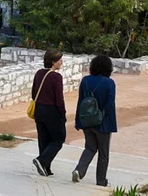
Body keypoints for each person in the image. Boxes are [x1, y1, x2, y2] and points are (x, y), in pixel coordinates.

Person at [72, 55, 117, 187]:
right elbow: (110, 104)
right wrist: (102, 115)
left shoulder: (85, 80)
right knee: (103, 153)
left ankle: (79, 170)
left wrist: (78, 120)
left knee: (90, 147)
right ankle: (101, 181)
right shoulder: (109, 83)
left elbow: (80, 101)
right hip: (103, 123)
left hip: (86, 120)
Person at [31, 48, 65, 176]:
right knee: (58, 139)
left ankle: (45, 168)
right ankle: (42, 160)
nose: (61, 62)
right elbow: (59, 98)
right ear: (53, 62)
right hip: (52, 111)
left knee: (43, 139)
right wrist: (62, 113)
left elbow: (34, 93)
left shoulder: (39, 73)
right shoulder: (56, 77)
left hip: (39, 109)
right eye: (59, 60)